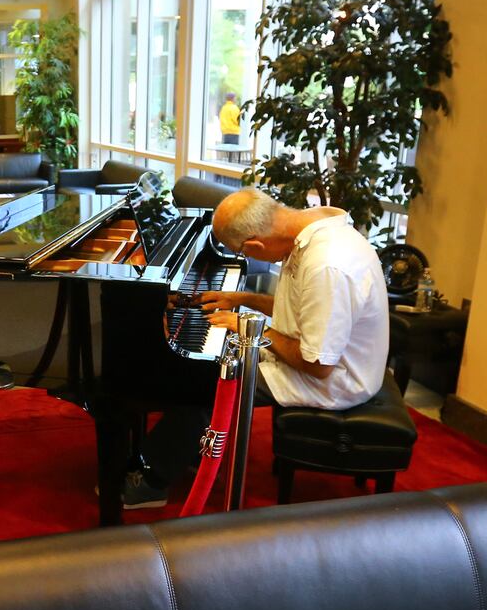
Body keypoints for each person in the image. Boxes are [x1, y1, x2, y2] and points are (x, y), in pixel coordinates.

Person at [127, 187, 389, 508]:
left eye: (242, 252)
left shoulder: (326, 266)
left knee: (204, 382)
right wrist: (241, 299)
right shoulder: (309, 226)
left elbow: (318, 364)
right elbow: (302, 308)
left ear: (253, 245)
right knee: (207, 364)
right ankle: (191, 445)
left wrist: (249, 326)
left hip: (334, 380)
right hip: (318, 356)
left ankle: (152, 482)